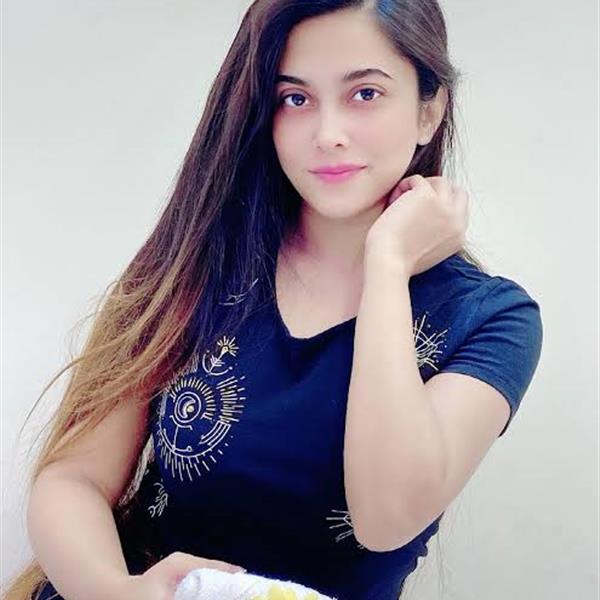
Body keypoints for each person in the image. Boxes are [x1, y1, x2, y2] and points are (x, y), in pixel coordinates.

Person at [4, 1, 544, 600]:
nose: (328, 134)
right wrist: (118, 593)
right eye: (295, 98)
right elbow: (74, 476)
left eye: (365, 93)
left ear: (429, 110)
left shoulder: (491, 319)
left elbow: (386, 517)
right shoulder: (196, 263)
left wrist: (387, 266)